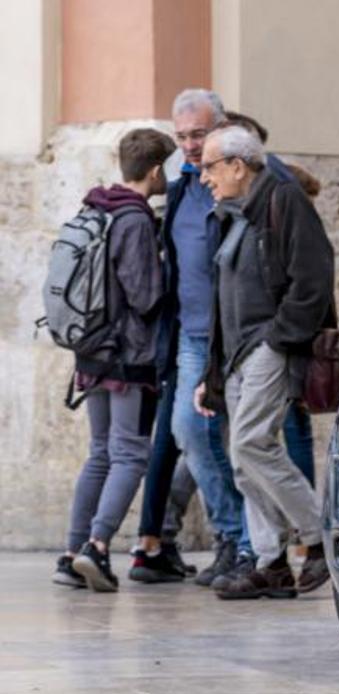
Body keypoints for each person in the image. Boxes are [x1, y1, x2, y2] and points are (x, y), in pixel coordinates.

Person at [193, 125, 335, 600]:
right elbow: (221, 301)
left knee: (253, 443)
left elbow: (313, 276)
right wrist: (211, 373)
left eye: (209, 166)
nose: (202, 177)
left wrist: (279, 340)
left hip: (267, 346)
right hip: (235, 355)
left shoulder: (283, 200)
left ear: (238, 164)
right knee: (241, 461)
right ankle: (270, 561)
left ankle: (319, 539)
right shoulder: (231, 214)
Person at [52, 128, 176, 592]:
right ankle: (97, 547)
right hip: (127, 355)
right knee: (129, 454)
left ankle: (69, 554)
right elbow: (145, 296)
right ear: (157, 169)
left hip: (91, 350)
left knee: (101, 452)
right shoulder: (134, 220)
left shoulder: (97, 207)